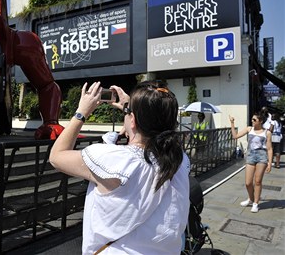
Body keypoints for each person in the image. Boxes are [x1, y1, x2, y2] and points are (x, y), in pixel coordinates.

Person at [49, 81, 190, 254]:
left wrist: (82, 112)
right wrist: (130, 108)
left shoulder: (114, 160)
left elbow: (56, 156)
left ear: (133, 121)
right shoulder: (180, 160)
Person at [229, 112, 273, 213]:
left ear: (261, 121)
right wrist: (232, 123)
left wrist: (270, 163)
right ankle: (250, 199)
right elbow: (235, 136)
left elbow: (269, 149)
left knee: (257, 182)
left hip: (262, 157)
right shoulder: (249, 129)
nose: (252, 121)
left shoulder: (267, 133)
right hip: (250, 156)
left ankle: (255, 203)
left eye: (254, 120)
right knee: (248, 183)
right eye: (252, 119)